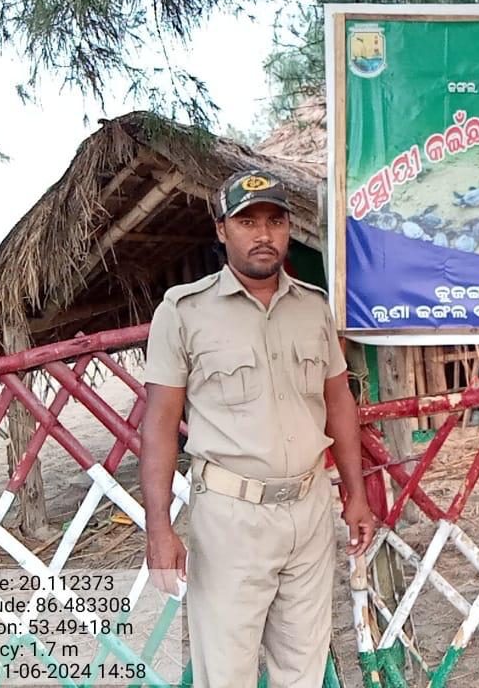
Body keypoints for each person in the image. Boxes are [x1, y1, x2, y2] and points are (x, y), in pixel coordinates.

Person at [139, 169, 377, 687]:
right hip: (231, 522)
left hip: (310, 512)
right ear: (222, 230)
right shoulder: (184, 312)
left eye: (275, 220)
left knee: (304, 669)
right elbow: (158, 422)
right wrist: (158, 525)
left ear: (288, 228)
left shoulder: (313, 307)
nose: (263, 234)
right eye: (247, 221)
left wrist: (354, 495)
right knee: (226, 675)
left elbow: (339, 401)